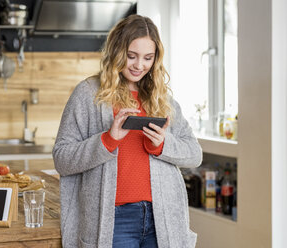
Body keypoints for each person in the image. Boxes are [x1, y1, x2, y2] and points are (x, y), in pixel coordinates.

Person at [53, 14, 202, 248]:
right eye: (131, 56)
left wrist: (162, 145)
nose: (139, 65)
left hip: (162, 219)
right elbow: (62, 159)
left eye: (147, 58)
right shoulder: (88, 93)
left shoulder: (162, 98)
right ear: (116, 51)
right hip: (113, 221)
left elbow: (194, 153)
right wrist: (107, 140)